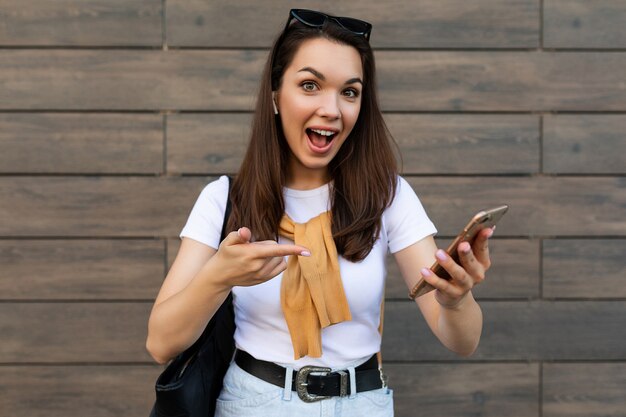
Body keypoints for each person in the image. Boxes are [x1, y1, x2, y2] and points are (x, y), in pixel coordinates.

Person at [146, 9, 493, 417]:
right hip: (251, 404)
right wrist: (219, 276)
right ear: (275, 95)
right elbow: (160, 344)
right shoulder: (223, 198)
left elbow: (462, 341)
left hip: (362, 404)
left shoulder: (389, 195)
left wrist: (455, 300)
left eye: (349, 92)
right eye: (310, 85)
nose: (332, 109)